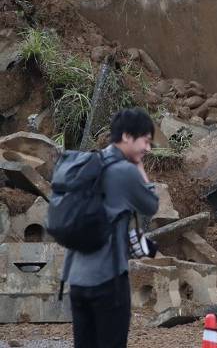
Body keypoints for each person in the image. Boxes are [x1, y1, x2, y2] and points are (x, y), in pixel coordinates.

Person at [63, 108, 160, 348]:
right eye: (145, 141)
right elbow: (151, 205)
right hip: (107, 280)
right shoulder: (124, 171)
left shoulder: (87, 163)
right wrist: (139, 168)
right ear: (127, 137)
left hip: (77, 280)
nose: (147, 148)